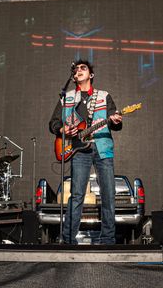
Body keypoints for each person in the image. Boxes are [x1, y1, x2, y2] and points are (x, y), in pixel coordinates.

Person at [49, 59, 123, 244]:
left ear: (91, 74)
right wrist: (62, 130)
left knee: (108, 194)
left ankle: (107, 240)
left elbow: (116, 123)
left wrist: (116, 120)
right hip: (78, 150)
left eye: (83, 68)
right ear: (73, 77)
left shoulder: (104, 96)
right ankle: (67, 240)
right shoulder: (67, 97)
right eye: (76, 69)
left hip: (102, 148)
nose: (78, 70)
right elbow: (54, 123)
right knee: (76, 196)